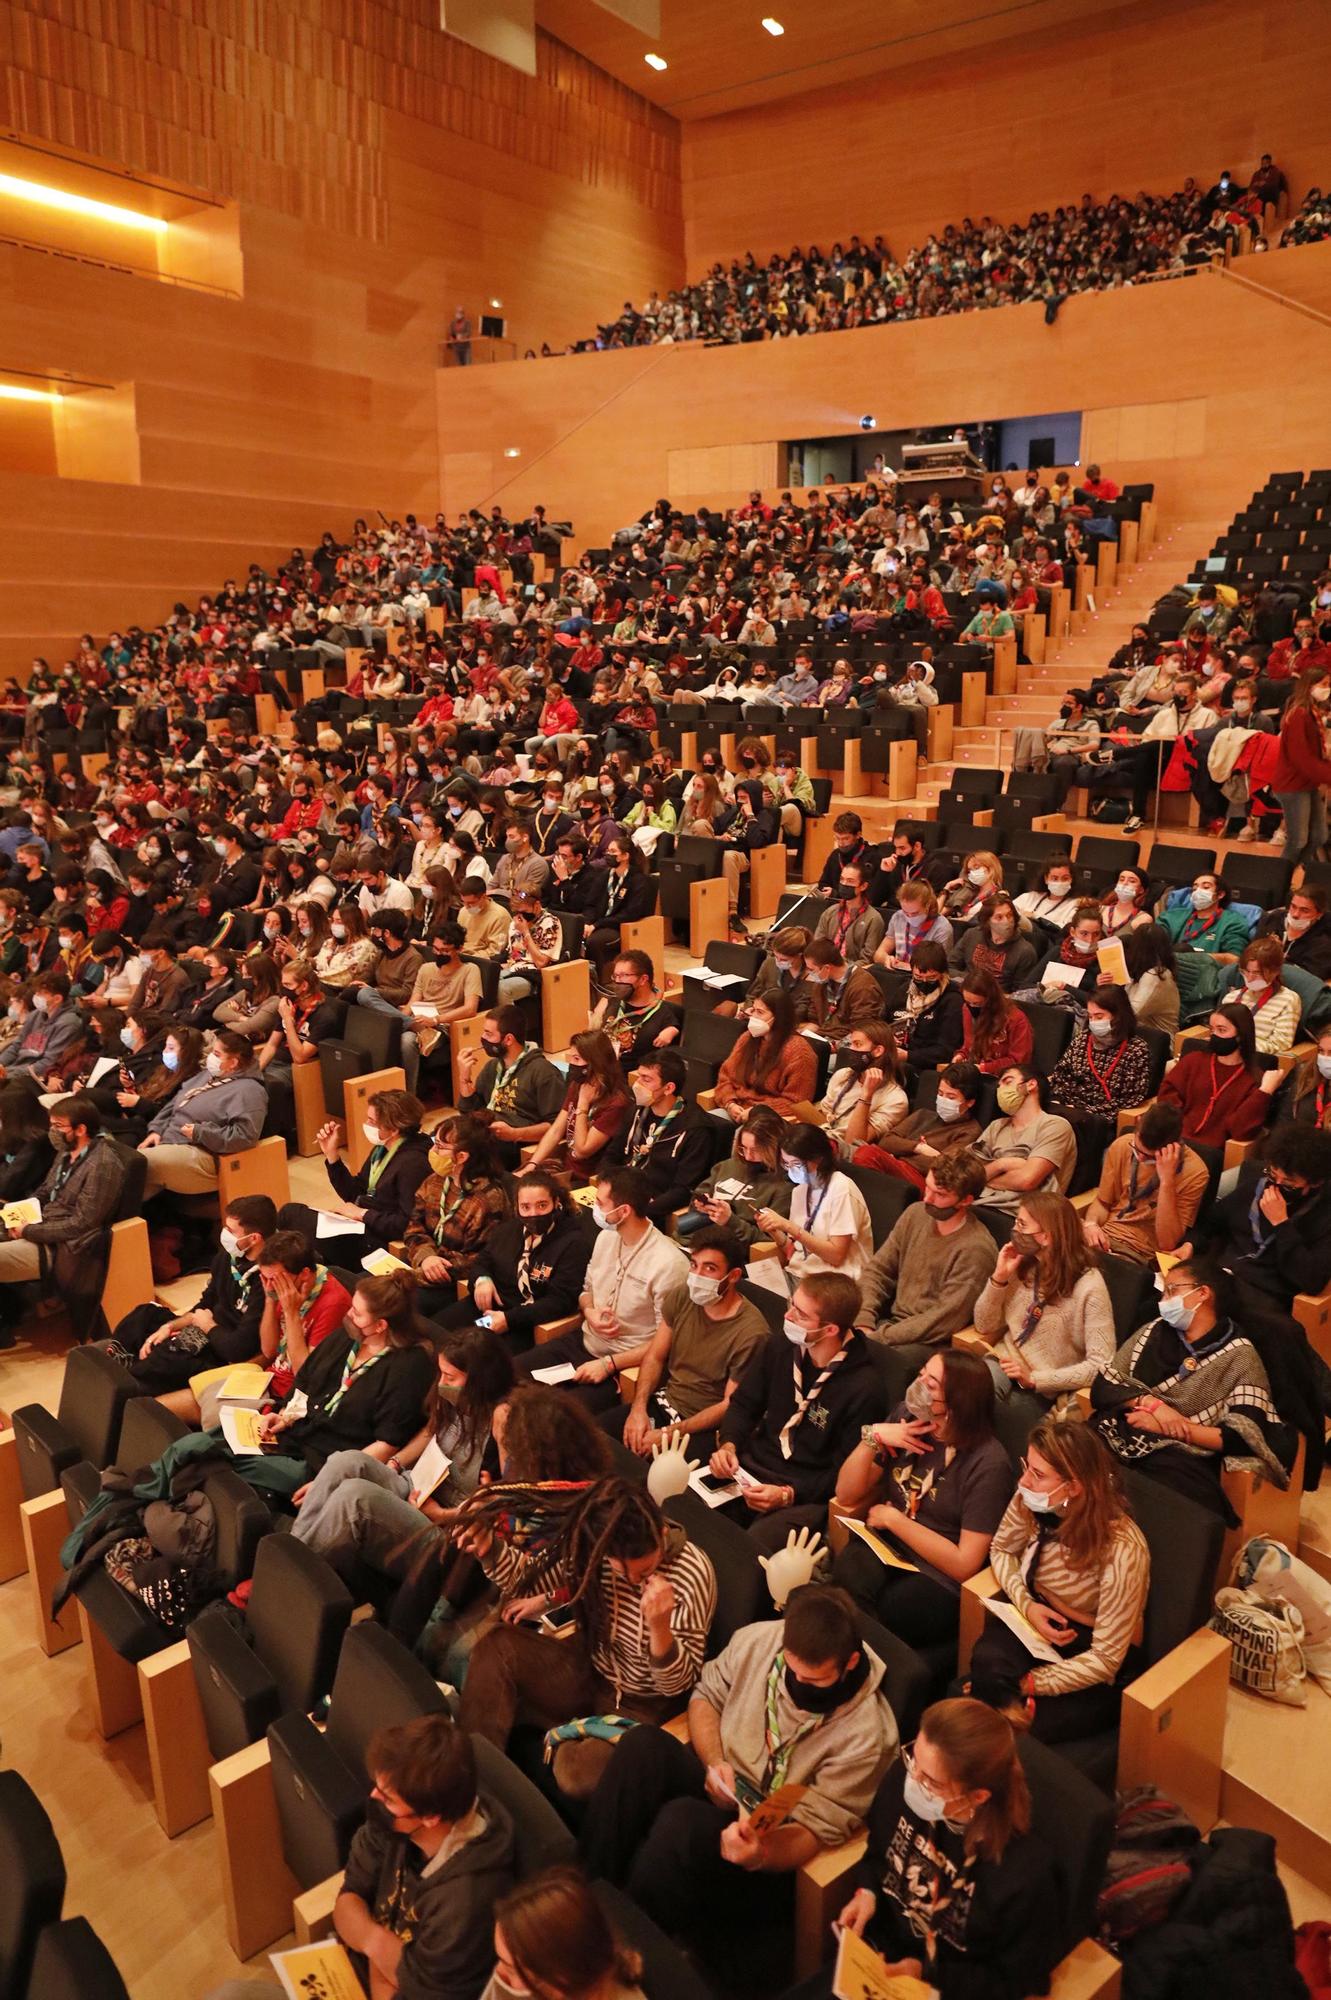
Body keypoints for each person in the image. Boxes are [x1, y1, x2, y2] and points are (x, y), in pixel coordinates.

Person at [578, 1585, 898, 1960]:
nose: (798, 1686)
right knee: (642, 1746)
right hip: (726, 1782)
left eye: (813, 1681)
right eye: (791, 1671)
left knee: (679, 1825)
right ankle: (582, 1896)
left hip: (773, 1844)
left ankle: (621, 1954)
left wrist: (760, 1852)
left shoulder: (867, 1735)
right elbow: (705, 1697)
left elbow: (813, 1832)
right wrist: (715, 1762)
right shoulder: (761, 1641)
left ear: (850, 1664)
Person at [457, 1478, 717, 1769]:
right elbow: (527, 1581)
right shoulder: (593, 1548)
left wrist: (660, 1628)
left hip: (644, 1704)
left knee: (574, 1769)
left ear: (662, 1533)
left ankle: (555, 1732)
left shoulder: (692, 1571)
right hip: (590, 1671)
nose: (633, 1581)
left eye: (644, 1571)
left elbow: (677, 1686)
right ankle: (467, 1777)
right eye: (621, 1570)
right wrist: (489, 1548)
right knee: (497, 1646)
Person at [809, 1699, 1059, 2000]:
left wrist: (927, 1974)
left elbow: (1017, 1981)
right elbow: (877, 1855)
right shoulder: (904, 1779)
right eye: (914, 1759)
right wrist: (868, 1893)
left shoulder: (1024, 1873)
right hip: (879, 1959)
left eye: (930, 1782)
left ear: (977, 1796)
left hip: (948, 1987)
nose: (912, 1780)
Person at [969, 1422, 1150, 1745]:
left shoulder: (1124, 1549)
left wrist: (1031, 1683)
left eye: (1038, 1475)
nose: (1024, 1481)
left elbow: (1106, 1658)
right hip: (1039, 1617)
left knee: (1020, 1729)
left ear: (1074, 1487)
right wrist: (1027, 1605)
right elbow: (1002, 1550)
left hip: (1090, 1651)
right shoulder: (1032, 1499)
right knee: (987, 1662)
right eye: (1028, 1467)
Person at [288, 1323, 514, 1581]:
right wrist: (394, 1464)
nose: (442, 1383)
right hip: (419, 1487)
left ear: (479, 1381)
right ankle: (292, 1553)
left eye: (450, 1378)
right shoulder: (454, 1397)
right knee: (345, 1461)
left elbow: (507, 1502)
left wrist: (442, 1515)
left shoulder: (502, 1417)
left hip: (447, 1523)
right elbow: (432, 1432)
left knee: (355, 1496)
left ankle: (297, 1576)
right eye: (441, 1374)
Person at [1090, 1255, 1294, 1518]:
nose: (1164, 1300)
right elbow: (1103, 1386)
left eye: (1172, 1290)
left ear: (1203, 1293)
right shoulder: (1153, 1330)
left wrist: (1175, 1428)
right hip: (1119, 1429)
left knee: (1170, 1502)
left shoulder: (1240, 1355)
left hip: (1180, 1454)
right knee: (1072, 1455)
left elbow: (1243, 1436)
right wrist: (1153, 1406)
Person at [834, 1349, 1011, 1646]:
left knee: (892, 1611)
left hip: (936, 1574)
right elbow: (846, 1492)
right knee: (848, 1574)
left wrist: (894, 1519)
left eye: (930, 1385)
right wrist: (872, 1437)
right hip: (887, 1546)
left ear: (956, 1403)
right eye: (921, 1375)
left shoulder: (988, 1463)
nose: (917, 1387)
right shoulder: (906, 1417)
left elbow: (965, 1562)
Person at [335, 1713, 516, 2000]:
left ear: (430, 1817)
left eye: (388, 1799)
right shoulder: (394, 1822)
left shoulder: (465, 1903)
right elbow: (347, 1900)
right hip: (348, 1974)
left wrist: (365, 1934)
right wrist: (377, 1943)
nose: (374, 1797)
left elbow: (416, 1994)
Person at [709, 1271, 882, 1551]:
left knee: (751, 1550)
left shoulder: (864, 1388)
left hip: (805, 1494)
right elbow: (743, 1404)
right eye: (792, 1305)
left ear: (830, 1330)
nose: (787, 1317)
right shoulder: (780, 1346)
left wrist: (789, 1494)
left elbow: (841, 1471)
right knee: (690, 1510)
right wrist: (729, 1445)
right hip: (751, 1468)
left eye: (800, 1314)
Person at [242, 1267, 436, 1496]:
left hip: (324, 1465)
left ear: (380, 1325)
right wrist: (285, 1416)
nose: (349, 1315)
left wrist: (330, 1480)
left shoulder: (408, 1367)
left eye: (356, 1312)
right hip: (294, 1437)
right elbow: (305, 1380)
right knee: (214, 1442)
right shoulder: (348, 1336)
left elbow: (387, 1443)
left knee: (226, 1462)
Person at [512, 1165, 688, 1411]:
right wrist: (590, 1311)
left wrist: (609, 1364)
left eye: (600, 1202)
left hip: (624, 1362)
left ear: (624, 1211)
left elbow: (666, 1342)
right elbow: (587, 1290)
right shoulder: (606, 1237)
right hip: (584, 1340)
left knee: (557, 1415)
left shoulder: (668, 1264)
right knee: (508, 1378)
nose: (593, 1207)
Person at [613, 1227, 769, 1454]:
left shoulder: (752, 1333)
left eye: (710, 1268)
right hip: (665, 1402)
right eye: (694, 1265)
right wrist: (638, 1409)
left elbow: (730, 1405)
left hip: (702, 1427)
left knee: (649, 1477)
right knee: (595, 1439)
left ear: (733, 1276)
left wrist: (668, 1434)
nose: (697, 1275)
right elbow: (655, 1356)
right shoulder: (682, 1295)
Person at [107, 1193, 276, 1401]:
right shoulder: (226, 1257)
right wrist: (171, 1326)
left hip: (222, 1348)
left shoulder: (267, 1279)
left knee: (170, 1355)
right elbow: (206, 1303)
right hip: (205, 1325)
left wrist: (207, 1326)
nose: (224, 1234)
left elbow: (238, 1348)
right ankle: (117, 1364)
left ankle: (125, 1384)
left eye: (231, 1231)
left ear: (254, 1238)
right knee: (145, 1314)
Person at [972, 1191, 1115, 1415]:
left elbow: (1101, 1365)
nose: (1015, 1230)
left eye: (1022, 1224)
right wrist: (999, 1278)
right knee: (961, 1390)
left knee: (988, 1410)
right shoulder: (1022, 1263)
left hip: (1048, 1385)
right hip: (1004, 1361)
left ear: (1047, 1236)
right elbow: (983, 1325)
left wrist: (1035, 1379)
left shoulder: (1090, 1286)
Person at [0, 1093, 126, 1342]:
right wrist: (15, 1215)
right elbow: (46, 1191)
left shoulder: (102, 1165)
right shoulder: (66, 1151)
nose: (52, 1132)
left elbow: (82, 1224)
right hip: (40, 1223)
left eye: (58, 1126)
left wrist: (27, 1231)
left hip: (61, 1245)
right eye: (51, 1125)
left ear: (81, 1129)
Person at [1185, 1122, 1331, 1314]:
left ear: (1315, 1183)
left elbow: (1311, 1280)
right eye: (1273, 1175)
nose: (1276, 1186)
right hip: (1221, 1278)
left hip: (1264, 1297)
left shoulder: (1324, 1216)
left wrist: (1281, 1224)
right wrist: (1191, 1244)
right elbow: (1211, 1221)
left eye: (1288, 1184)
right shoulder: (1255, 1187)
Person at [857, 1153, 997, 1347]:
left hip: (928, 1342)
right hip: (888, 1325)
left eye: (940, 1194)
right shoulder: (915, 1213)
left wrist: (878, 1338)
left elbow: (944, 1319)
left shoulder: (976, 1249)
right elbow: (878, 1270)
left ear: (965, 1200)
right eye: (927, 1187)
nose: (928, 1198)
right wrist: (863, 1320)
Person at [404, 1115, 511, 1314]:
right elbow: (414, 1226)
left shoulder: (488, 1200)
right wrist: (426, 1257)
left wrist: (424, 1271)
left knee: (397, 1305)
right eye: (434, 1143)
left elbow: (478, 1260)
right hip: (425, 1265)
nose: (433, 1151)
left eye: (441, 1147)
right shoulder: (434, 1181)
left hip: (455, 1281)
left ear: (462, 1157)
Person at [1081, 1099, 1208, 1266]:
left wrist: (1167, 1181)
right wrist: (1091, 1224)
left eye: (1150, 1157)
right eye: (1137, 1149)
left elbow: (1167, 1242)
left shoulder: (1195, 1172)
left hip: (1138, 1253)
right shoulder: (1122, 1146)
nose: (1140, 1157)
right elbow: (1102, 1203)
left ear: (1173, 1147)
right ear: (1138, 1123)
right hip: (1104, 1236)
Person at [755, 1123, 874, 1288]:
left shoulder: (841, 1189)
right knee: (744, 1290)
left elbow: (836, 1256)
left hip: (834, 1283)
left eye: (797, 1164)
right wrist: (774, 1230)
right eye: (786, 1164)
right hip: (799, 1275)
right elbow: (795, 1252)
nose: (791, 1171)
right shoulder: (800, 1191)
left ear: (819, 1158)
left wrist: (788, 1226)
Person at [251, 1227, 355, 1409]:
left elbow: (305, 1374)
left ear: (304, 1274)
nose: (269, 1285)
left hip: (293, 1397)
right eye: (264, 1278)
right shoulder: (281, 1288)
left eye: (274, 1279)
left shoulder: (333, 1303)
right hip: (270, 1379)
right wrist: (269, 1299)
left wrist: (291, 1313)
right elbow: (269, 1350)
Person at [608, 1049, 715, 1224]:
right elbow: (611, 1156)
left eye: (646, 1079)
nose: (638, 1085)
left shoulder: (696, 1129)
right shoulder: (637, 1111)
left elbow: (683, 1190)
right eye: (639, 1076)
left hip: (653, 1209)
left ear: (668, 1088)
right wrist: (610, 1190)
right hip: (622, 1195)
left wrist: (641, 1210)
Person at [455, 1004, 567, 1166]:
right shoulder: (493, 1066)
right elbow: (468, 1112)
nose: (483, 1038)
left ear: (508, 1039)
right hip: (487, 1135)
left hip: (516, 1145)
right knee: (445, 1138)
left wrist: (515, 1134)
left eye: (488, 1034)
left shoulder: (543, 1072)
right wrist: (464, 1077)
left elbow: (557, 1126)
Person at [852, 1059, 985, 1183]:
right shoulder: (923, 1114)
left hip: (922, 1180)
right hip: (891, 1164)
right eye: (940, 1093)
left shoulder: (970, 1131)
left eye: (951, 1097)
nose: (943, 1100)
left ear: (970, 1102)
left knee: (867, 1154)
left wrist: (900, 1151)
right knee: (837, 1148)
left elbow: (943, 1166)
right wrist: (919, 1147)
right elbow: (886, 1141)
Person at [1158, 1004, 1269, 1149]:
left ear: (1240, 1035)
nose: (1214, 1035)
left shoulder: (1253, 1078)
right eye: (1212, 1030)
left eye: (1222, 1030)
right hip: (1174, 1140)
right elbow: (1167, 1096)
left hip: (1211, 1150)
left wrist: (1266, 1091)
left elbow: (1241, 1130)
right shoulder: (1194, 1060)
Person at [522, 1029, 631, 1176]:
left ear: (595, 1063)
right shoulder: (578, 1084)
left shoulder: (616, 1103)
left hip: (588, 1177)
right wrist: (531, 1165)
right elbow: (556, 1131)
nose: (571, 1064)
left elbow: (582, 1150)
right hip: (566, 1167)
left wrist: (583, 1105)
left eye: (577, 1059)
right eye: (571, 1057)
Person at [678, 1105, 791, 1246]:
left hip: (727, 1251)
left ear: (774, 1148)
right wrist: (701, 1204)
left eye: (755, 1150)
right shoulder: (728, 1166)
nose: (748, 1156)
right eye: (743, 1148)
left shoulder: (784, 1188)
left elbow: (769, 1240)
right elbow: (697, 1198)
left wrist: (730, 1220)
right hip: (690, 1238)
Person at [973, 1065, 1077, 1214]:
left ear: (1031, 1085)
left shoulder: (1055, 1125)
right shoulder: (997, 1125)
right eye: (999, 1086)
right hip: (980, 1204)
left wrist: (987, 1178)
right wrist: (1002, 1164)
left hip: (1023, 1215)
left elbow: (1027, 1180)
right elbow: (970, 1175)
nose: (1000, 1090)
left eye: (1007, 1082)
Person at [1046, 984, 1154, 1118]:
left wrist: (1084, 1110)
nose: (1093, 1022)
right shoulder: (1083, 1039)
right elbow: (1061, 1076)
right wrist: (1059, 1100)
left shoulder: (1136, 1050)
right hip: (1067, 1106)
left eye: (1099, 1017)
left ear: (1118, 1015)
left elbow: (1129, 1101)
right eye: (1090, 1017)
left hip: (1098, 1117)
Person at [712, 990, 818, 1122]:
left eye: (760, 1012)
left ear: (779, 1017)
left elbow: (797, 1102)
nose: (753, 1017)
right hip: (737, 1108)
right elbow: (725, 1077)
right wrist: (729, 1103)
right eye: (753, 1010)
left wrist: (756, 1111)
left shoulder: (800, 1052)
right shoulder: (747, 1038)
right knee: (707, 1123)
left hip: (770, 1118)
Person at [814, 1020, 908, 1157]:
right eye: (851, 1043)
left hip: (845, 1156)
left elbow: (854, 1142)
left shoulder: (896, 1099)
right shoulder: (843, 1075)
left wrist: (866, 1096)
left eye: (857, 1044)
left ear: (877, 1051)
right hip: (821, 1141)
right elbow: (824, 1114)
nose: (851, 1049)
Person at [1272, 665, 1331, 868]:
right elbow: (1302, 758)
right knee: (1297, 840)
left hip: (1307, 783)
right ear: (1310, 686)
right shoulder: (1299, 714)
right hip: (1292, 784)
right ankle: (1278, 880)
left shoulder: (1312, 712)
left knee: (1319, 836)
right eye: (1323, 684)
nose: (1327, 688)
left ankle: (1303, 880)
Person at [590, 949, 682, 1064]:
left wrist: (672, 1030)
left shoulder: (663, 1013)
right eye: (615, 976)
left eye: (623, 976)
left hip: (629, 1076)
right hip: (601, 1067)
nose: (617, 981)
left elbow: (675, 1028)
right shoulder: (613, 1001)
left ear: (643, 979)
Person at [894, 940, 965, 1068]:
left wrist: (908, 1056)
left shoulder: (953, 1000)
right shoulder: (906, 989)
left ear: (943, 973)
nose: (924, 982)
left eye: (932, 978)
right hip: (900, 1051)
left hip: (925, 1064)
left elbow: (946, 1051)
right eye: (918, 977)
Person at [949, 897, 1039, 993]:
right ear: (988, 921)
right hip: (965, 990)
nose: (1007, 921)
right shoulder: (972, 935)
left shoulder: (1025, 951)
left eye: (1009, 915)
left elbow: (1020, 993)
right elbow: (950, 966)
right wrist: (971, 982)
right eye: (999, 917)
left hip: (997, 999)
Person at [800, 937, 883, 1041]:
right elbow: (814, 1021)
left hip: (846, 1044)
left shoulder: (863, 987)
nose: (809, 974)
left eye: (812, 970)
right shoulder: (821, 983)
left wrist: (833, 1046)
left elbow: (863, 1031)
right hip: (822, 1039)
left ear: (827, 968)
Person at [1231, 935, 1302, 1055]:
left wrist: (1238, 1046)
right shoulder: (1231, 997)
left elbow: (1281, 1044)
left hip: (1256, 1060)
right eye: (1246, 971)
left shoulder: (1288, 999)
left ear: (1275, 971)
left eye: (1257, 973)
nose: (1250, 978)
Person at [1160, 872, 1253, 961]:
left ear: (1220, 894)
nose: (1198, 892)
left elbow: (1234, 958)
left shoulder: (1233, 922)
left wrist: (1194, 957)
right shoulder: (1172, 916)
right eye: (1194, 889)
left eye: (1206, 887)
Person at [959, 968, 1034, 1077]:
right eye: (968, 1002)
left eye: (977, 1004)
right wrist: (961, 1055)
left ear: (990, 999)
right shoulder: (967, 1009)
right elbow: (970, 1044)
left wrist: (985, 1068)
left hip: (1005, 1076)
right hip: (977, 1070)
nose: (972, 1007)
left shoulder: (1016, 1019)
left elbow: (1019, 1061)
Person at [814, 857, 885, 965]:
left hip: (852, 972)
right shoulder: (830, 912)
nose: (844, 884)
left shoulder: (873, 919)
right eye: (842, 879)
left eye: (850, 881)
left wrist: (842, 970)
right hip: (825, 967)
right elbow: (817, 945)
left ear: (863, 886)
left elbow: (867, 959)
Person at [1258, 882, 1331, 982]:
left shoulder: (1323, 944)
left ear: (1319, 914)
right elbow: (1251, 953)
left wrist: (1275, 958)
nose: (1295, 914)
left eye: (1304, 910)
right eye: (1293, 907)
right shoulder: (1272, 919)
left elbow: (1306, 980)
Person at [1121, 923, 1181, 1036]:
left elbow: (1132, 1013)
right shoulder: (1140, 972)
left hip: (1158, 1043)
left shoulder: (1155, 976)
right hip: (1138, 1036)